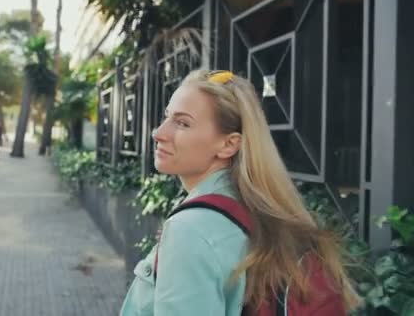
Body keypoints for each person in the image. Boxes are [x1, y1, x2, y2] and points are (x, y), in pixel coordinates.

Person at [120, 70, 360, 315]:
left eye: (182, 123)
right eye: (167, 117)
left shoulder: (190, 231)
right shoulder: (262, 212)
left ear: (228, 144)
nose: (159, 133)